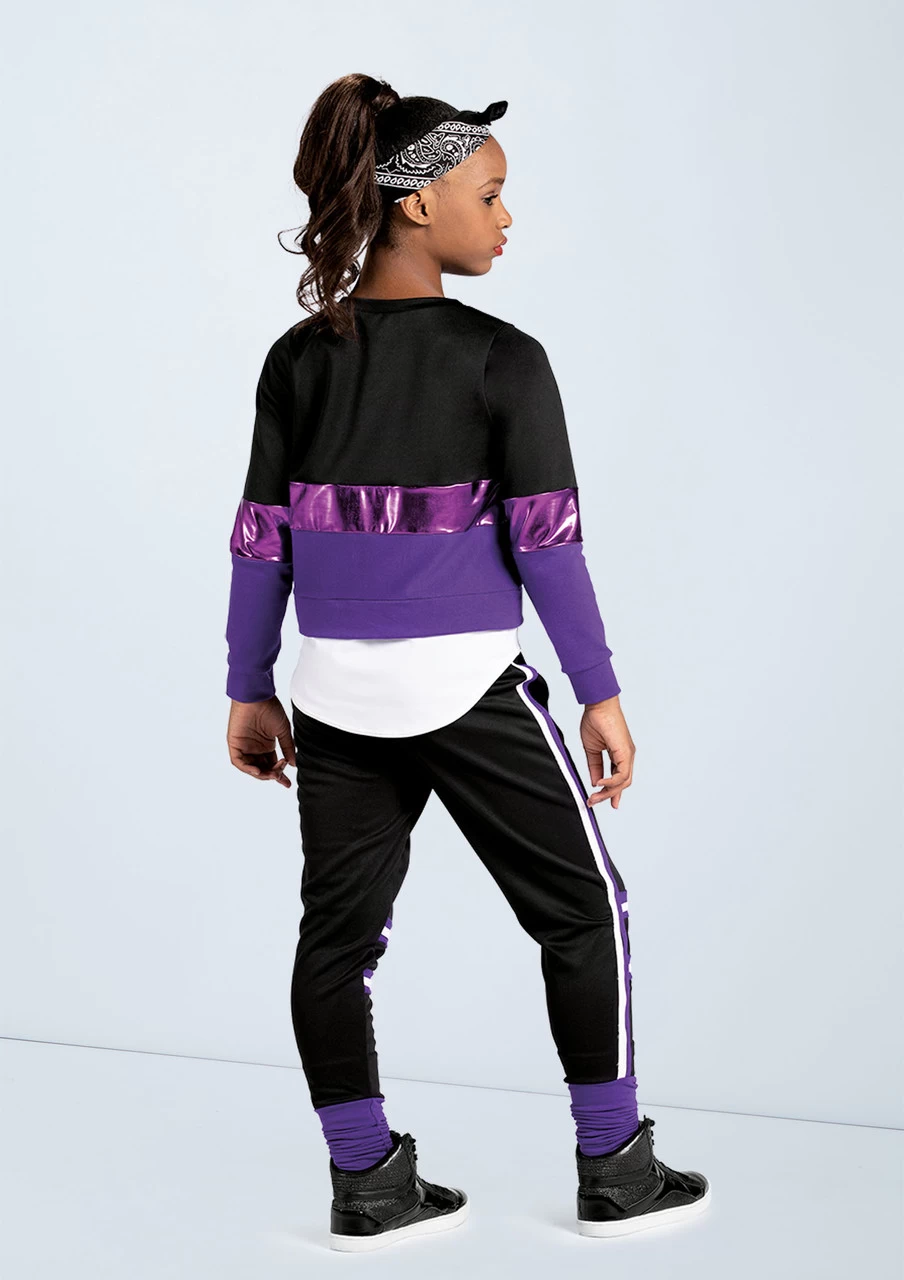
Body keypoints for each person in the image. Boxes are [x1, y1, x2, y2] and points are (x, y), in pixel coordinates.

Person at [224, 73, 711, 1252]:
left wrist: (248, 685)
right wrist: (598, 691)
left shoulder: (296, 359)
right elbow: (549, 546)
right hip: (472, 691)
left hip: (332, 697)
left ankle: (365, 1183)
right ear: (415, 204)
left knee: (335, 944)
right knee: (583, 908)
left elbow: (259, 539)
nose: (506, 217)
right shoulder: (503, 358)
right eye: (489, 195)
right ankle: (613, 1164)